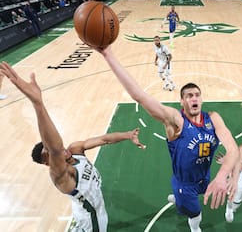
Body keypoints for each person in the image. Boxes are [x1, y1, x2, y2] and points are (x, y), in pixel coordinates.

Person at [97, 46, 240, 232]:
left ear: (201, 99)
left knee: (216, 187)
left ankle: (179, 199)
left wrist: (222, 175)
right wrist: (107, 54)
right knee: (195, 214)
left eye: (197, 95)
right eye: (188, 96)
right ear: (182, 102)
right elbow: (139, 96)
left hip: (204, 177)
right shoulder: (175, 120)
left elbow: (234, 150)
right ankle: (194, 227)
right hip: (184, 183)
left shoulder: (213, 118)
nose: (194, 98)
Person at [0, 61, 145, 231]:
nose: (61, 150)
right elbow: (54, 148)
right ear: (49, 162)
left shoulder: (75, 149)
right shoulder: (61, 176)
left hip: (96, 212)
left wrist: (127, 135)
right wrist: (38, 104)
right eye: (52, 154)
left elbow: (104, 139)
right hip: (91, 224)